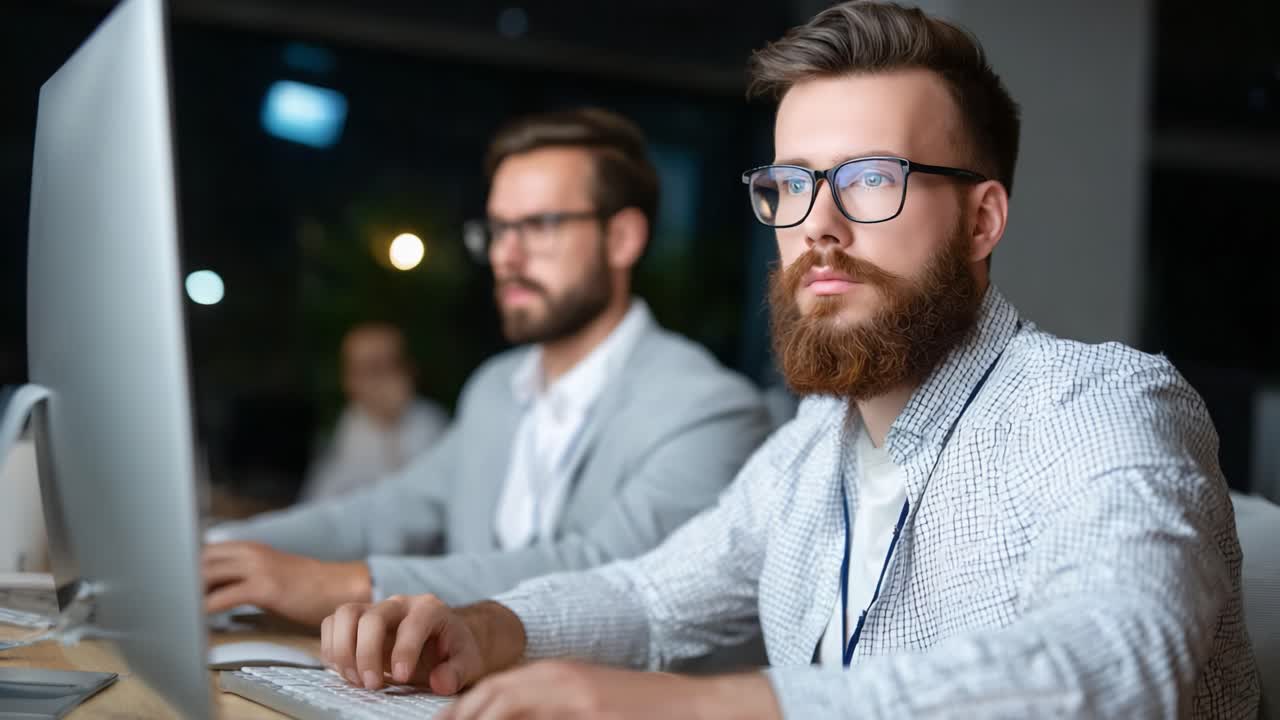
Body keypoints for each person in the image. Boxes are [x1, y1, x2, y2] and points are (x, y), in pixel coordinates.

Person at [318, 3, 1261, 718]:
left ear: (982, 220)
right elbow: (650, 599)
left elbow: (1120, 660)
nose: (818, 225)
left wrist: (706, 708)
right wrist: (486, 626)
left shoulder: (1103, 404)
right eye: (791, 185)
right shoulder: (811, 446)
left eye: (871, 180)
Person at [201, 108, 771, 628]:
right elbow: (382, 514)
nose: (506, 256)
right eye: (499, 229)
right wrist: (211, 550)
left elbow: (607, 576)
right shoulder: (496, 389)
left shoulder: (708, 408)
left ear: (621, 238)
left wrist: (349, 584)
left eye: (540, 225)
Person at [299, 323, 448, 502]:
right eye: (361, 369)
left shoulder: (429, 422)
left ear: (408, 370)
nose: (374, 381)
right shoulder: (350, 420)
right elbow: (319, 498)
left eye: (382, 367)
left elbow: (422, 501)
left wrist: (391, 423)